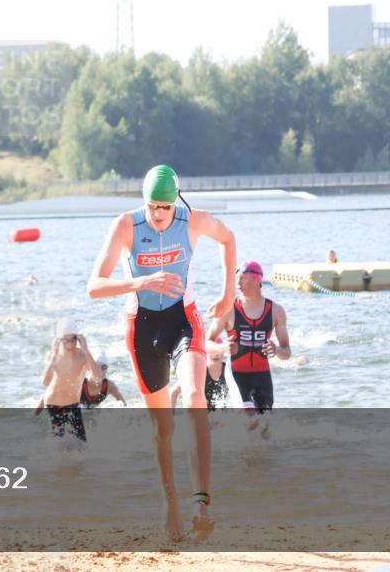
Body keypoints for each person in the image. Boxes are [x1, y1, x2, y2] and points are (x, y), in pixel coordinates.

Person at [86, 164, 236, 542]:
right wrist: (141, 281)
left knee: (195, 396)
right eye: (152, 206)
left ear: (175, 204)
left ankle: (201, 501)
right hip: (143, 329)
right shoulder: (126, 225)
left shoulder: (193, 221)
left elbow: (228, 239)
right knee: (162, 427)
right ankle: (170, 502)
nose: (157, 214)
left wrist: (228, 294)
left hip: (183, 320)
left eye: (164, 207)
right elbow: (94, 286)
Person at [206, 261, 292, 418]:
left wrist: (277, 350)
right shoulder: (229, 310)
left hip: (262, 375)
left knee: (265, 428)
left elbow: (287, 353)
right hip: (237, 373)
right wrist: (223, 348)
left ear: (257, 280)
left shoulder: (276, 311)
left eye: (243, 278)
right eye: (237, 278)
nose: (238, 283)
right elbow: (206, 343)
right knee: (249, 418)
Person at [36, 320, 102, 442]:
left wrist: (87, 351)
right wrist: (52, 359)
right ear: (60, 340)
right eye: (66, 340)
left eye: (73, 339)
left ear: (78, 339)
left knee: (81, 444)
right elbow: (45, 382)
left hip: (73, 404)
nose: (70, 343)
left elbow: (97, 378)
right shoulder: (54, 356)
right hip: (54, 404)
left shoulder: (83, 355)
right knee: (59, 445)